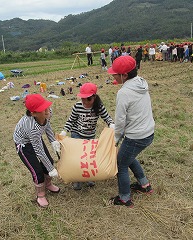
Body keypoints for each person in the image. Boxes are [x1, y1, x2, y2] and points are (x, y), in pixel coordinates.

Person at [107, 56, 155, 207]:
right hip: (148, 132)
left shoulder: (124, 93)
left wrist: (114, 140)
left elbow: (120, 121)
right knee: (128, 156)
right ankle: (144, 185)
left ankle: (124, 198)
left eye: (115, 73)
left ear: (125, 75)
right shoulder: (141, 83)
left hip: (136, 136)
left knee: (121, 164)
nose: (112, 76)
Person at [60, 82, 114, 190]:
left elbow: (107, 118)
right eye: (83, 99)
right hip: (77, 134)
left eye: (88, 99)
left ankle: (89, 177)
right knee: (77, 158)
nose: (85, 102)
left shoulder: (98, 107)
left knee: (89, 157)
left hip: (90, 136)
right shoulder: (77, 106)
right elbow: (71, 120)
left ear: (94, 97)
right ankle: (77, 180)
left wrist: (112, 125)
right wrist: (64, 131)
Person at [13, 94, 61, 208]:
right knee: (36, 169)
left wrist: (53, 141)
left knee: (48, 160)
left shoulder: (48, 112)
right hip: (24, 144)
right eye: (42, 109)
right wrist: (51, 169)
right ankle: (40, 194)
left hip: (35, 139)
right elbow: (39, 151)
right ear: (33, 113)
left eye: (46, 106)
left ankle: (48, 184)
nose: (47, 110)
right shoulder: (32, 127)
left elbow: (47, 126)